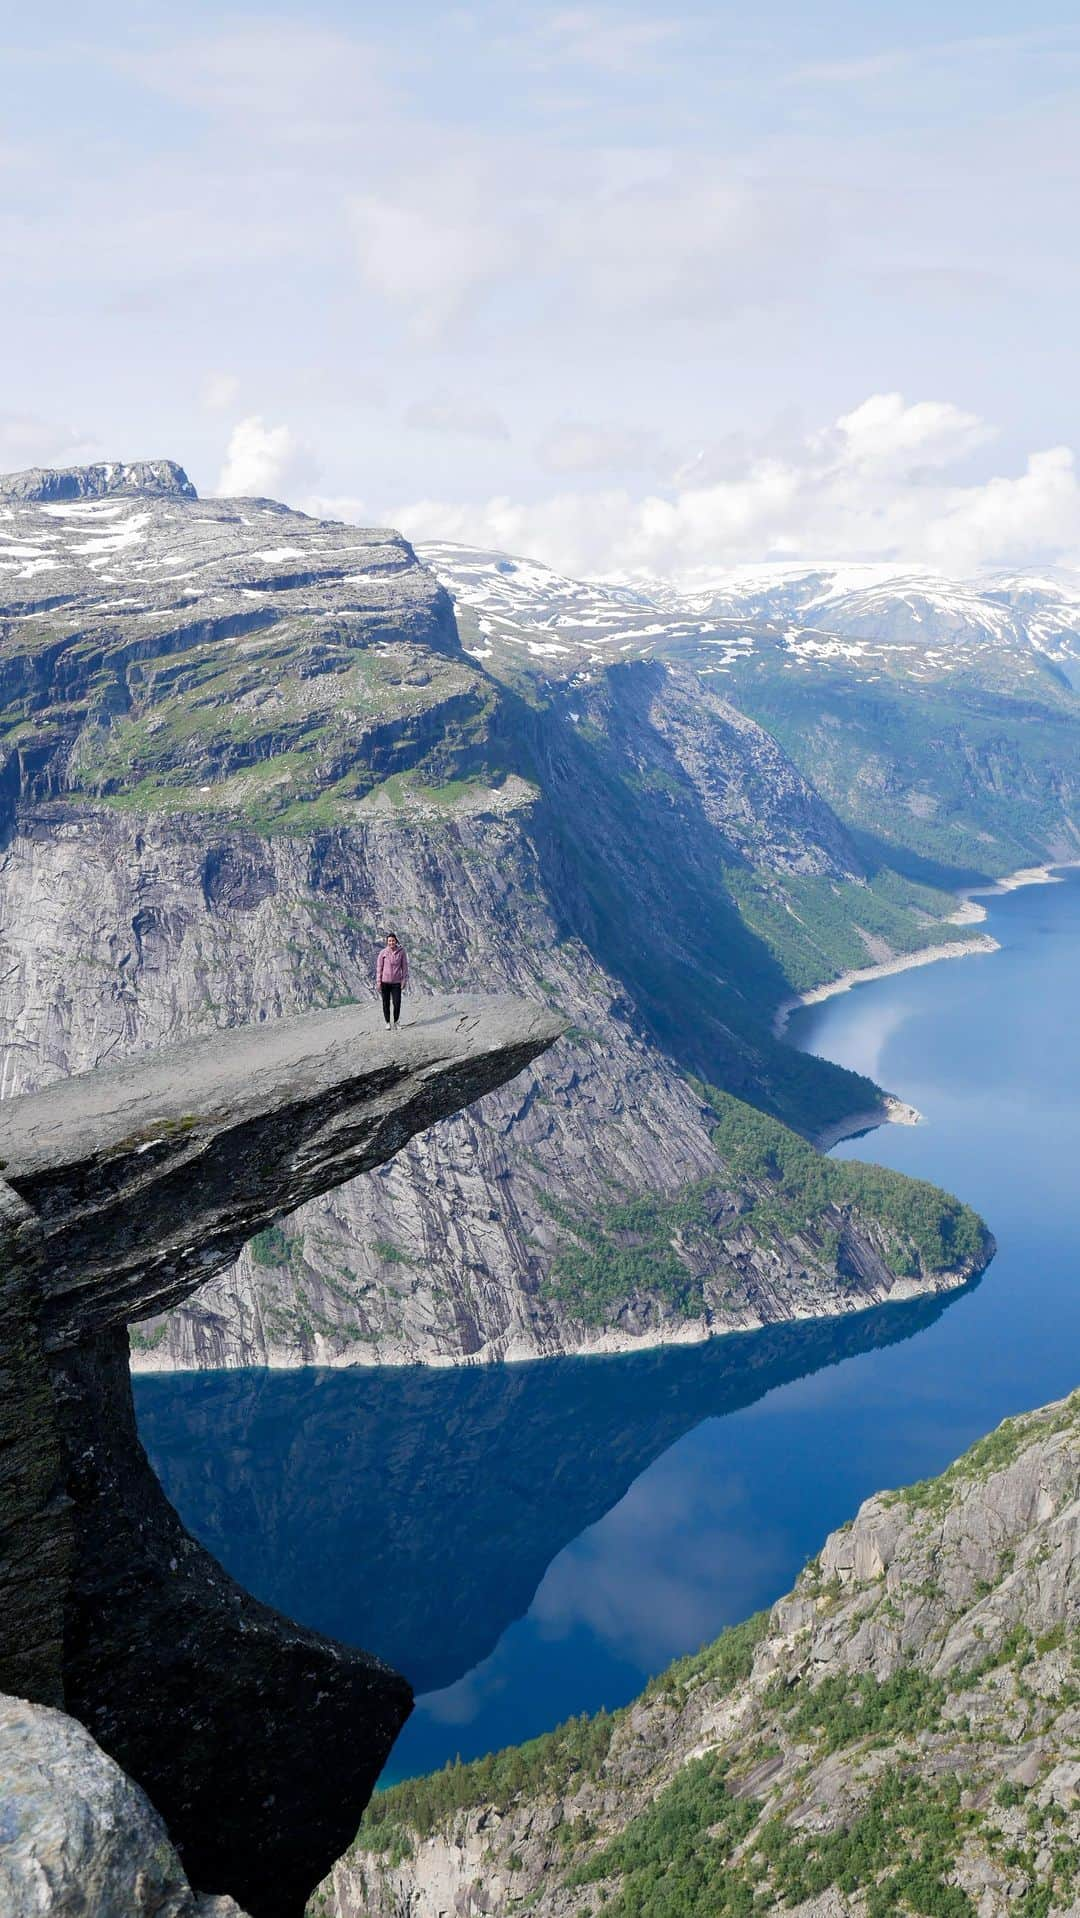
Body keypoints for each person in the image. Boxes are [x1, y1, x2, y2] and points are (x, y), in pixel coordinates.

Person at [376, 931, 409, 1028]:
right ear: (387, 942)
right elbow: (379, 968)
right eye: (389, 941)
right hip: (385, 982)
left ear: (396, 941)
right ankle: (387, 1022)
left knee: (397, 1002)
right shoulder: (383, 953)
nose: (391, 943)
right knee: (386, 1003)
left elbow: (405, 967)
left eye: (393, 941)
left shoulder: (401, 952)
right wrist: (378, 982)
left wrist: (404, 980)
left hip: (396, 982)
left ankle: (396, 1021)